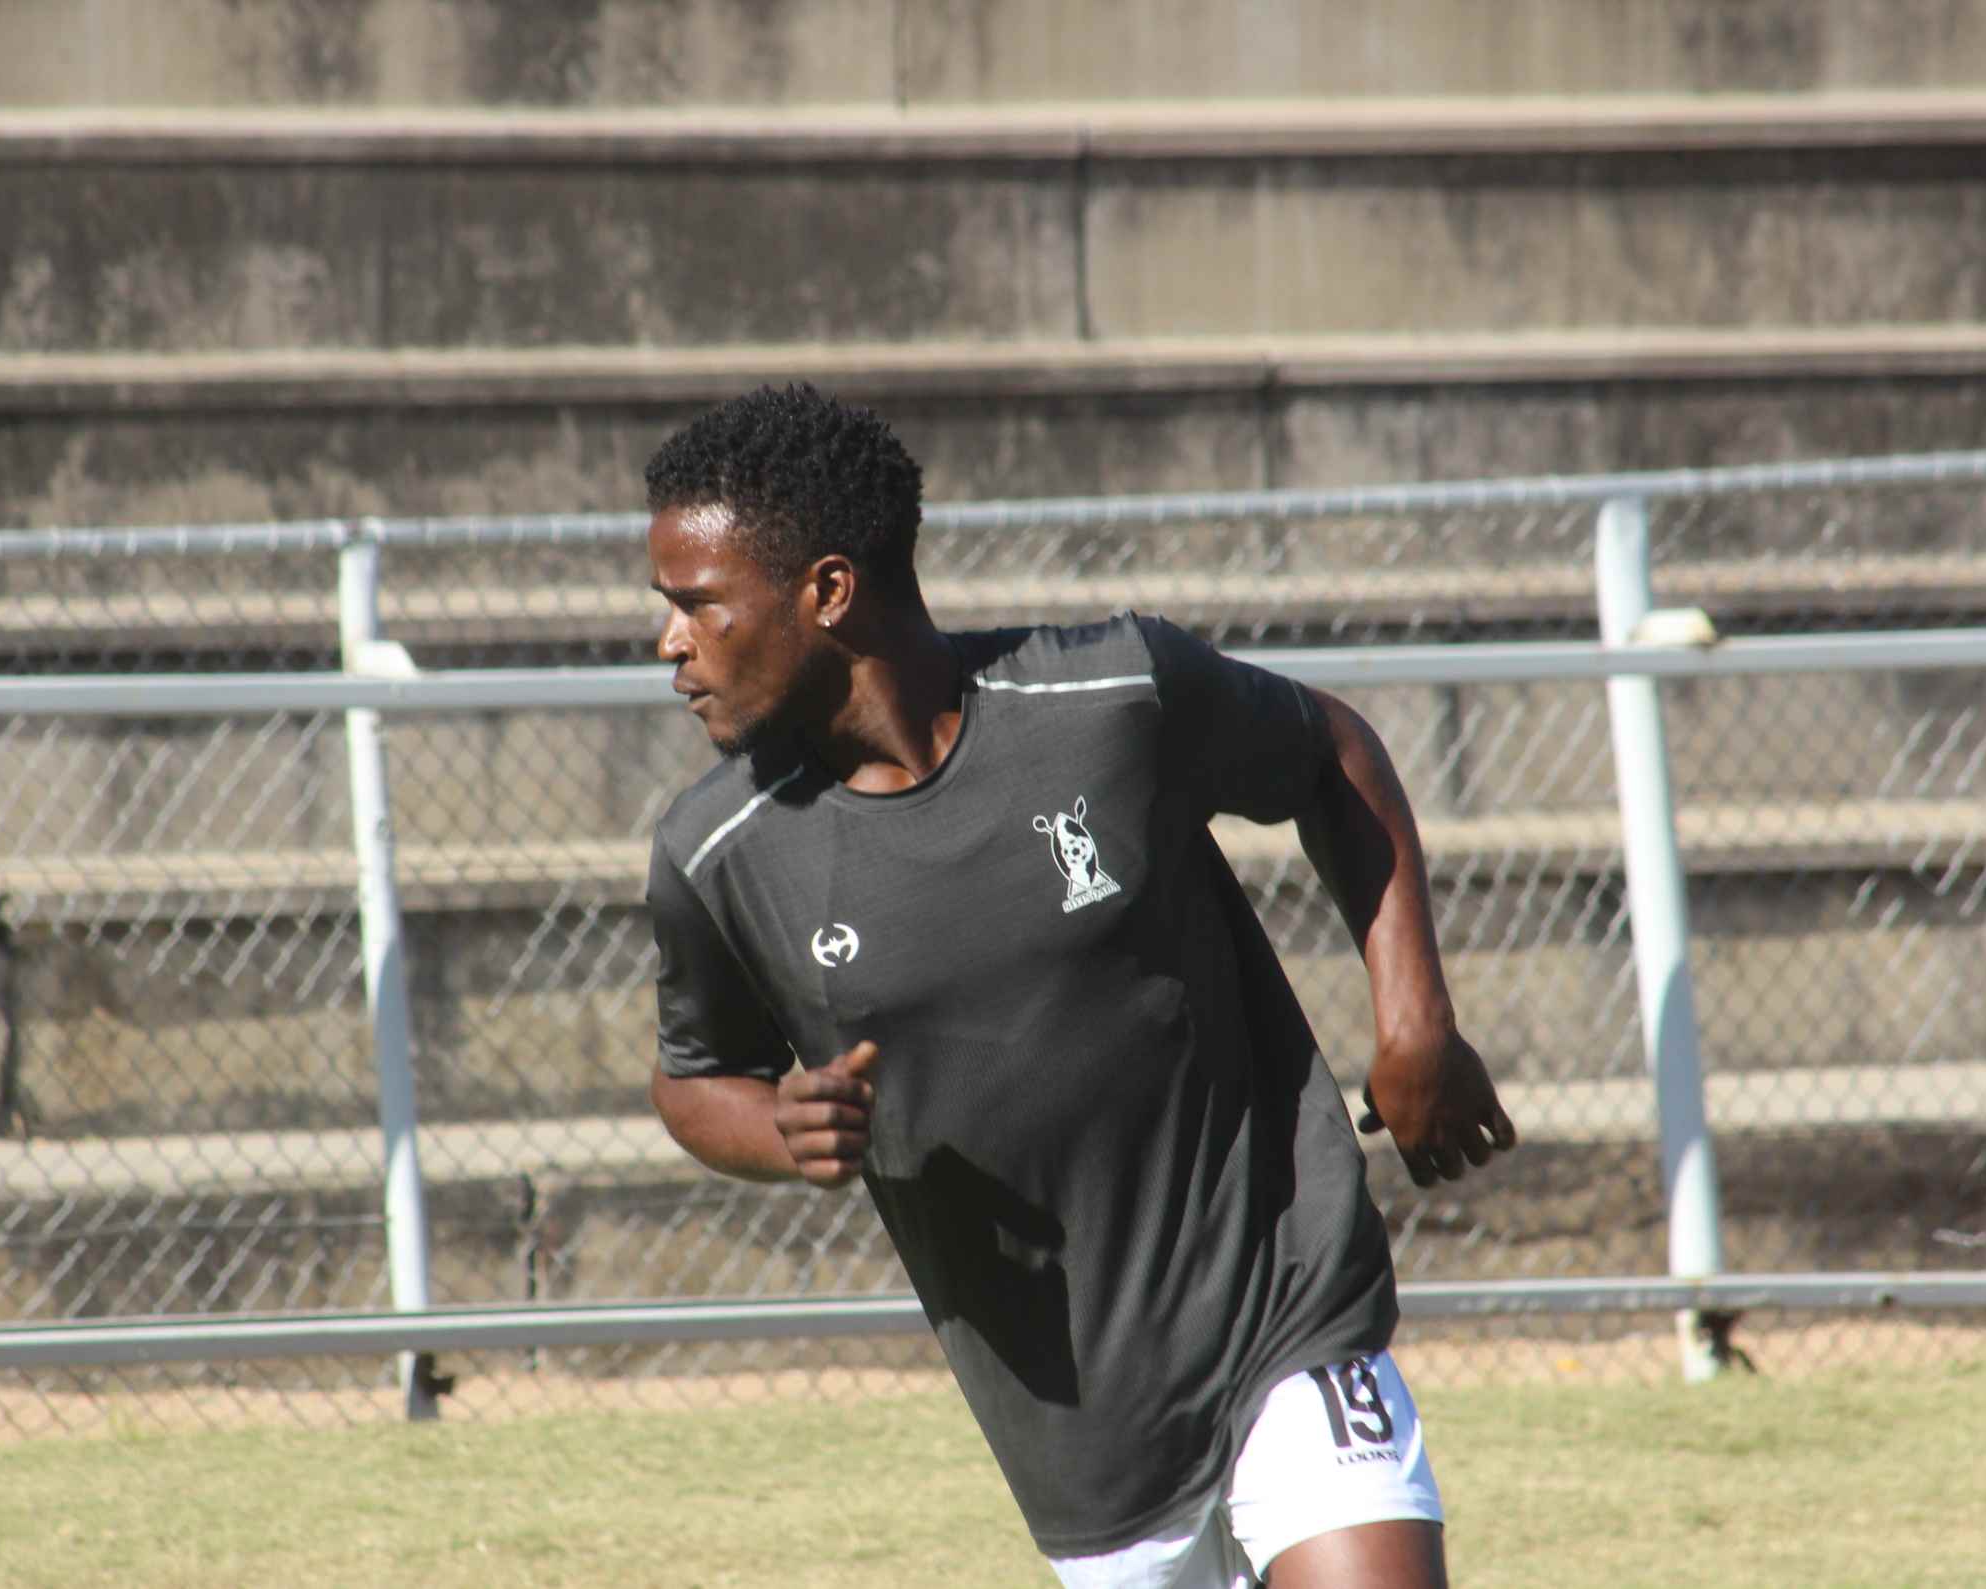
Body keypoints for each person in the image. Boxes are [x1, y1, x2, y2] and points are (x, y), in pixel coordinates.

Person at [639, 382, 1516, 1589]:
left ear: (826, 590)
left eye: (695, 603)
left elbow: (1330, 751)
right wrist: (777, 1130)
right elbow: (692, 1079)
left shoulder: (1107, 697)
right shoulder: (717, 852)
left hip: (1279, 1302)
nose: (668, 641)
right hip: (1079, 1433)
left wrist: (1413, 1022)